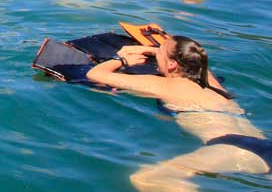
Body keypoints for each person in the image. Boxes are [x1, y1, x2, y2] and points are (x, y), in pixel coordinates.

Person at [86, 35, 270, 190]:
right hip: (263, 145)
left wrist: (122, 59)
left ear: (173, 65)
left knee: (149, 179)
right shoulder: (209, 80)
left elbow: (95, 74)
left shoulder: (163, 85)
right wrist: (154, 51)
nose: (156, 54)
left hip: (233, 149)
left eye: (160, 52)